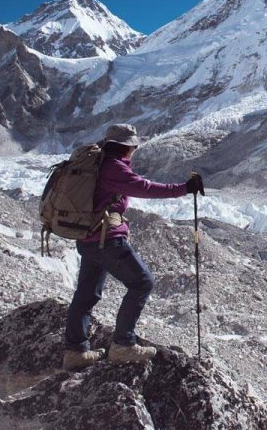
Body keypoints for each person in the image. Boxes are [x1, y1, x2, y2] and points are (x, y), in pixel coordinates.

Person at [62, 123, 204, 371]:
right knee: (142, 282)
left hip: (88, 238)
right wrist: (184, 188)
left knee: (86, 295)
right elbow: (144, 188)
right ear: (127, 147)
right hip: (107, 240)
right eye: (134, 146)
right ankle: (123, 344)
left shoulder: (98, 163)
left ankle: (76, 351)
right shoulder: (113, 168)